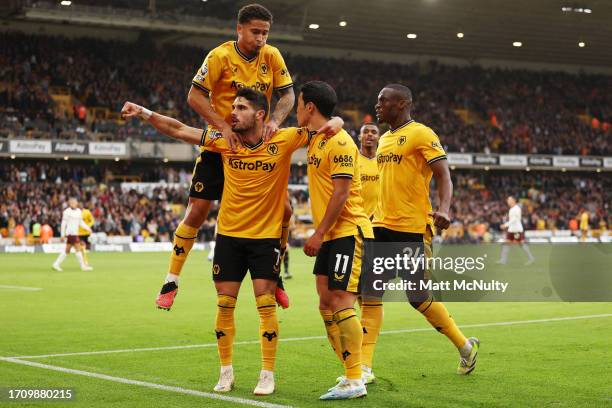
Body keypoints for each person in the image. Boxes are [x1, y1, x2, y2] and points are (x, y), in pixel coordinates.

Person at [121, 87, 342, 396]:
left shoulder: (285, 138)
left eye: (240, 108)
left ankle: (267, 374)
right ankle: (226, 371)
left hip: (264, 239)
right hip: (228, 237)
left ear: (260, 115)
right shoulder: (224, 140)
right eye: (233, 106)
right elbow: (179, 129)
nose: (232, 112)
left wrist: (341, 121)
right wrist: (144, 112)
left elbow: (323, 124)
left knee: (265, 308)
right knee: (225, 306)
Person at [156, 3, 296, 311]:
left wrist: (275, 121)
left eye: (265, 33)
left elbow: (288, 95)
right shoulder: (219, 56)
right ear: (239, 29)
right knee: (197, 211)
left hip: (257, 148)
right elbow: (194, 96)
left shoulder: (272, 56)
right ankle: (171, 280)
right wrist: (222, 126)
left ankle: (277, 273)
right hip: (221, 146)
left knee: (284, 211)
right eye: (255, 32)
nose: (261, 38)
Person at [372, 84, 479, 375]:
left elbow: (444, 174)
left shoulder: (422, 133)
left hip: (411, 228)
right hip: (380, 226)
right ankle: (362, 368)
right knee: (369, 294)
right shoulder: (383, 140)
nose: (377, 104)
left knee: (417, 297)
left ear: (403, 103)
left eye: (384, 100)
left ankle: (464, 346)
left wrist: (444, 208)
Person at [300, 81, 372, 400]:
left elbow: (341, 194)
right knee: (325, 303)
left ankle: (356, 378)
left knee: (342, 299)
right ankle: (349, 372)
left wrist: (317, 232)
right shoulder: (315, 139)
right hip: (331, 235)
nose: (297, 110)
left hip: (347, 231)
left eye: (300, 104)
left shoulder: (339, 142)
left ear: (310, 107)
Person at [52, 198, 93, 272]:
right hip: (71, 234)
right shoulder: (67, 212)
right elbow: (63, 224)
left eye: (75, 202)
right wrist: (62, 234)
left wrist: (88, 228)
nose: (73, 203)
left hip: (75, 233)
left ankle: (56, 264)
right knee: (78, 249)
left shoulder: (79, 211)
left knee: (67, 251)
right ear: (69, 203)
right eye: (71, 202)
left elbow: (81, 222)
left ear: (77, 203)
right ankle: (83, 267)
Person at [498, 196, 535, 265]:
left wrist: (505, 225)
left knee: (522, 244)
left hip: (517, 230)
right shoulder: (511, 209)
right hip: (511, 230)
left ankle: (531, 258)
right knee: (507, 244)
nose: (508, 201)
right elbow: (511, 219)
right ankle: (503, 260)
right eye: (507, 200)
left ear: (514, 200)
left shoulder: (517, 209)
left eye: (509, 200)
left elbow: (515, 219)